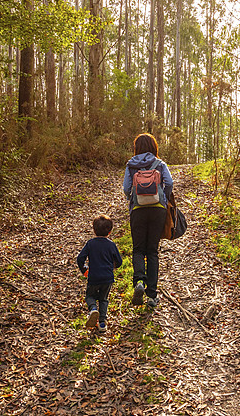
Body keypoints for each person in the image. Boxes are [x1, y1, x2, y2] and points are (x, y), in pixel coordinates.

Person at [122, 133, 173, 308]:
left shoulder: (131, 165)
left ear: (137, 147)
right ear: (153, 147)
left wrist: (132, 198)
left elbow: (126, 188)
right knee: (152, 251)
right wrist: (163, 199)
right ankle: (152, 296)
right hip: (158, 209)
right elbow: (169, 183)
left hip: (138, 209)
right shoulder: (160, 164)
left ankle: (139, 282)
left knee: (138, 249)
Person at [76, 214, 123, 333]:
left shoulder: (90, 244)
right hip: (107, 277)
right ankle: (102, 323)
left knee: (90, 296)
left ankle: (93, 309)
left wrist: (84, 270)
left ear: (94, 230)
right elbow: (119, 261)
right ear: (110, 231)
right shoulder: (111, 245)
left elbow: (80, 258)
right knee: (103, 299)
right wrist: (112, 267)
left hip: (94, 276)